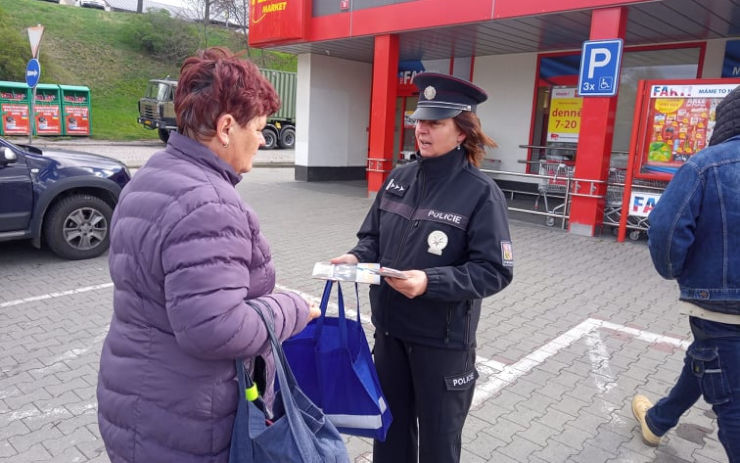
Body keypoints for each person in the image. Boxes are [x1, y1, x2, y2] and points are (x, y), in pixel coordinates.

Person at [96, 47, 320, 463]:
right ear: (226, 127)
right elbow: (214, 328)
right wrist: (291, 306)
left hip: (137, 400)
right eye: (258, 128)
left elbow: (177, 290)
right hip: (188, 421)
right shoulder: (209, 203)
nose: (261, 139)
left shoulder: (152, 176)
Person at [331, 72, 514, 463]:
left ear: (462, 131)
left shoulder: (482, 194)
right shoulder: (398, 178)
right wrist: (357, 257)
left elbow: (494, 270)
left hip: (442, 345)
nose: (422, 130)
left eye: (435, 123)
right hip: (391, 335)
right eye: (419, 121)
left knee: (438, 445)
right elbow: (373, 237)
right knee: (390, 435)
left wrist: (429, 281)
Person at [632, 85, 740, 462]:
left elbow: (664, 229)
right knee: (708, 359)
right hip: (721, 317)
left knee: (732, 408)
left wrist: (676, 271)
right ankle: (658, 420)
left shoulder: (707, 164)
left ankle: (658, 420)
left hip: (722, 309)